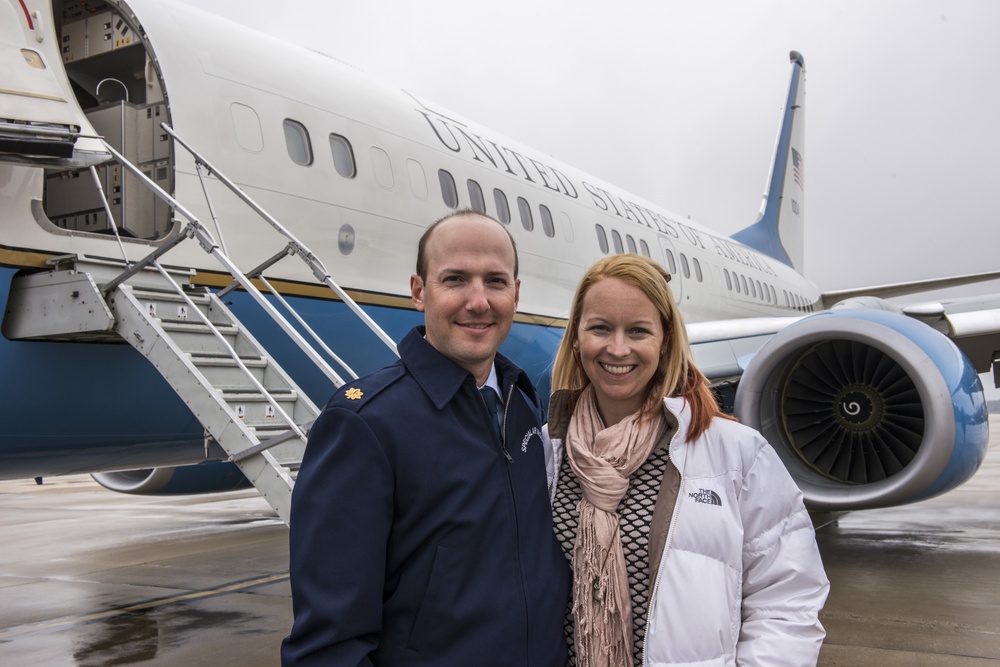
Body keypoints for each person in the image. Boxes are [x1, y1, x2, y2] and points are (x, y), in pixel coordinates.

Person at [281, 210, 571, 666]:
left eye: (495, 282)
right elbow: (328, 647)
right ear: (419, 292)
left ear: (515, 295)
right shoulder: (365, 423)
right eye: (455, 279)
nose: (479, 302)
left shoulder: (523, 405)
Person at [546, 254, 829, 666]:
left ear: (664, 341)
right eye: (600, 328)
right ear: (577, 337)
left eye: (638, 330)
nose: (618, 348)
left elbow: (788, 597)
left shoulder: (736, 453)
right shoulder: (547, 451)